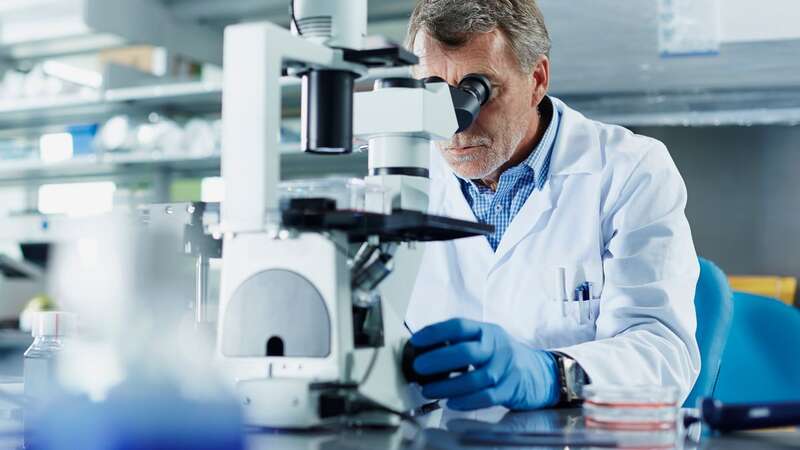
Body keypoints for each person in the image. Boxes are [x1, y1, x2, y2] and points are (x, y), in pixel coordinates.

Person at [404, 0, 700, 412]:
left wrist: (552, 374)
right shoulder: (400, 173)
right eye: (435, 89)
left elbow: (664, 356)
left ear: (537, 79)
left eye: (477, 90)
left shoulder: (630, 170)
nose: (457, 123)